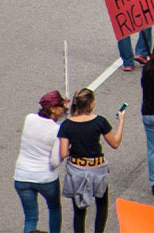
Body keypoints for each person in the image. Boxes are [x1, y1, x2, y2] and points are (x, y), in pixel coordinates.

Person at [57, 88, 124, 233]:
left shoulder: (67, 125)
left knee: (79, 211)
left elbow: (63, 153)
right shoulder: (100, 121)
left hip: (77, 169)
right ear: (91, 104)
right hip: (97, 168)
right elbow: (115, 143)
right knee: (101, 205)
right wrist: (121, 122)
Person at [15, 90, 66, 233]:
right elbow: (55, 161)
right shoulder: (57, 130)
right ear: (53, 109)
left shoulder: (29, 118)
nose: (63, 108)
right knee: (54, 208)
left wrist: (62, 116)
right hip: (45, 177)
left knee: (30, 218)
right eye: (61, 106)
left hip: (22, 175)